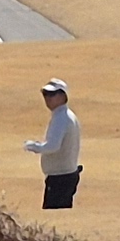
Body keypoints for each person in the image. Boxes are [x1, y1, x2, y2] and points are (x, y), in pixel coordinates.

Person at [22, 79, 81, 208]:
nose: (47, 98)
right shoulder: (65, 115)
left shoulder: (61, 118)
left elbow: (53, 146)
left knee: (54, 213)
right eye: (45, 94)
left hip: (60, 177)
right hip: (64, 175)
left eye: (52, 94)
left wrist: (33, 146)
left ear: (63, 96)